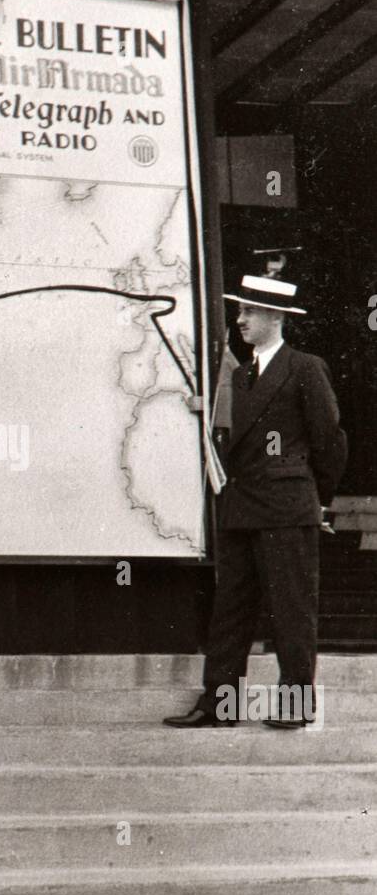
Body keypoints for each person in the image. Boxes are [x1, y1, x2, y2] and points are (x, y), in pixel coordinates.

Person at [164, 271, 347, 730]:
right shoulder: (242, 376)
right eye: (240, 310)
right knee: (230, 614)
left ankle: (294, 706)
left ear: (274, 316)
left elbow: (330, 441)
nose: (239, 319)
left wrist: (312, 499)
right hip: (244, 506)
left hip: (287, 507)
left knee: (291, 611)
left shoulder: (305, 367)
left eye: (247, 311)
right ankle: (219, 706)